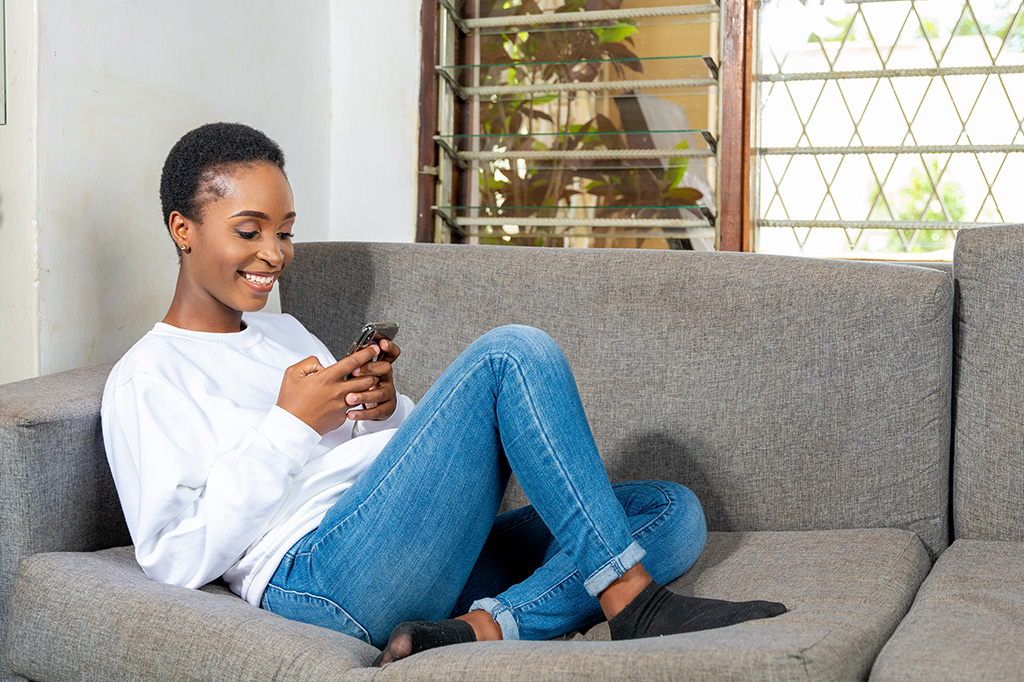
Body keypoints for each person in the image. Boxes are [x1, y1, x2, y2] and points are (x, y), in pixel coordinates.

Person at [101, 122, 785, 667]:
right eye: (249, 231)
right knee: (513, 352)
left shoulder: (285, 332)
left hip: (407, 550)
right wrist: (289, 425)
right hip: (320, 576)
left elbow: (386, 461)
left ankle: (481, 629)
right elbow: (172, 556)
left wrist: (384, 407)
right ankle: (631, 601)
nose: (275, 254)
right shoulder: (148, 375)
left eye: (284, 232)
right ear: (182, 229)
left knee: (668, 509)